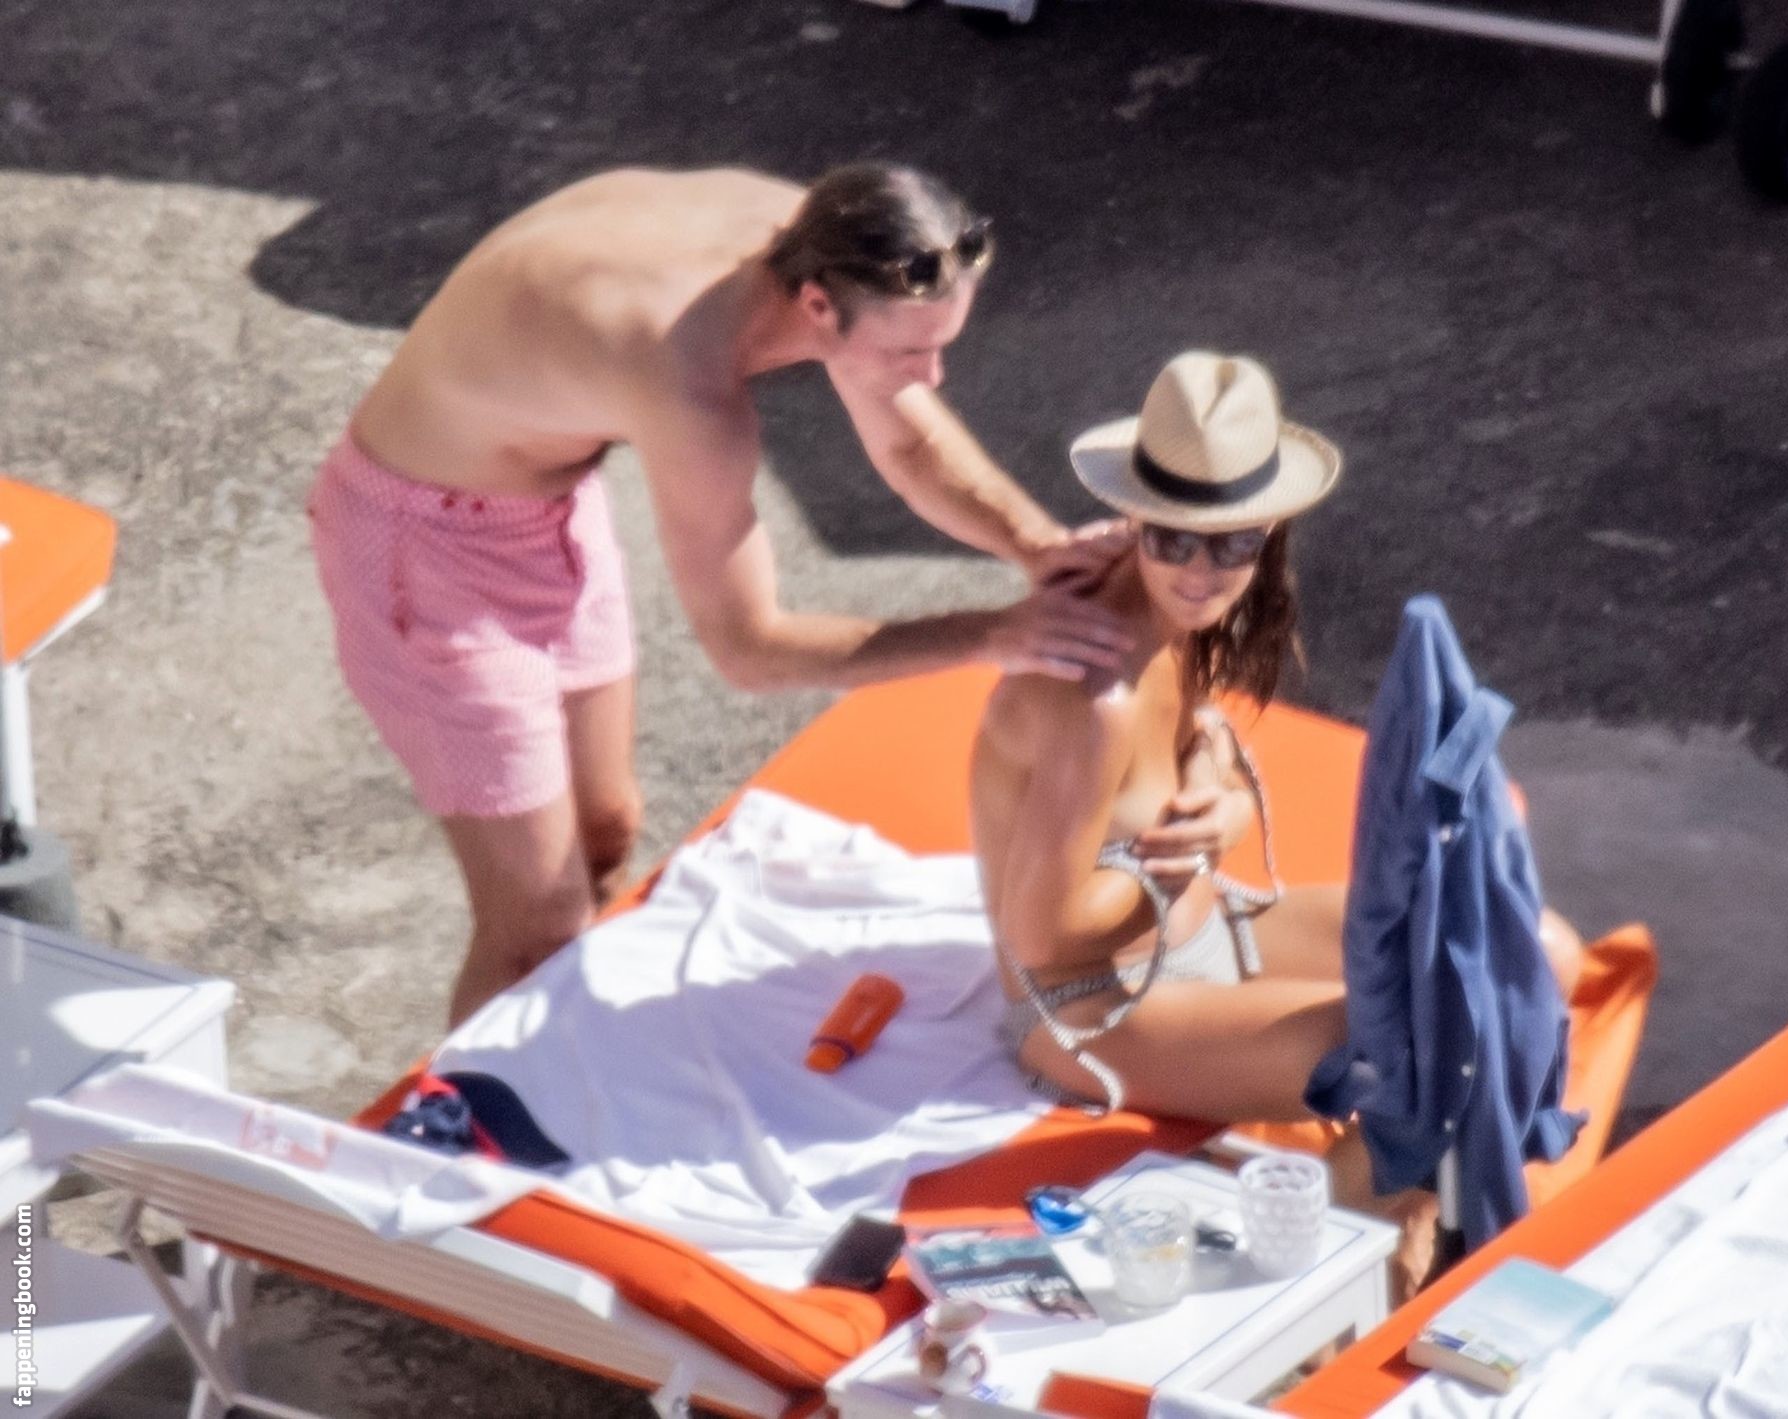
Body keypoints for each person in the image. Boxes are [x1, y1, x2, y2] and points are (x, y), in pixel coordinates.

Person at [309, 163, 1133, 1027]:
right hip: (420, 552)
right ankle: (477, 1108)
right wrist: (995, 634)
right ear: (817, 306)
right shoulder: (689, 387)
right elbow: (751, 649)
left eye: (941, 344)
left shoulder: (822, 238)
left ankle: (571, 1052)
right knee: (536, 928)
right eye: (907, 352)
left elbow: (910, 440)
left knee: (605, 831)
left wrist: (1038, 545)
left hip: (543, 498)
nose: (928, 374)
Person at [968, 351, 1581, 1292]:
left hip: (1214, 928)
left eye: (1232, 542)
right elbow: (1039, 939)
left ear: (1269, 530)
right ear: (1135, 517)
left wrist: (1219, 789)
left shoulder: (1180, 603)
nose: (1200, 569)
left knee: (1529, 953)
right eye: (1173, 537)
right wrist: (1175, 867)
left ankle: (1391, 1212)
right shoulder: (1093, 696)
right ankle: (1323, 1292)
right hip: (1091, 1008)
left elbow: (1202, 729)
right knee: (1427, 1051)